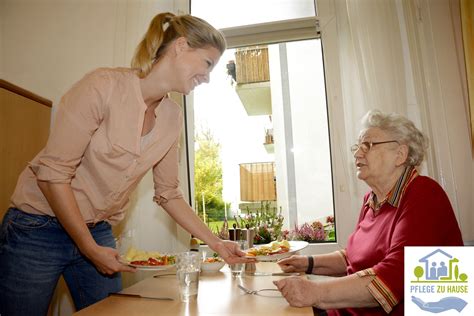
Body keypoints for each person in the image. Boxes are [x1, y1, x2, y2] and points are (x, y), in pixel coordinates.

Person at [0, 12, 252, 316]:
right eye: (207, 63)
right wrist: (89, 248)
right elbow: (53, 175)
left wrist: (218, 243)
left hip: (98, 230)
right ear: (181, 46)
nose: (207, 77)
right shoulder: (103, 86)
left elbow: (169, 193)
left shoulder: (172, 118)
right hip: (36, 227)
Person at [273, 110, 463, 315]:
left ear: (400, 155)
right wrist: (307, 263)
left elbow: (394, 276)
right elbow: (355, 258)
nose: (356, 153)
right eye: (357, 146)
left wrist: (315, 292)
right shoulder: (371, 200)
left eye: (368, 145)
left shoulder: (425, 195)